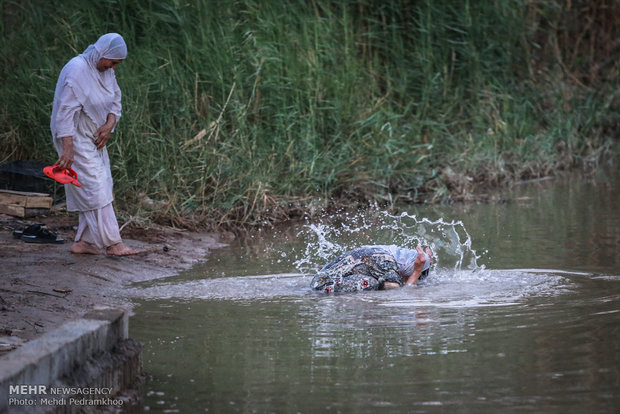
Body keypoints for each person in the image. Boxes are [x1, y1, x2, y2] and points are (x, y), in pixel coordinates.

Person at [50, 33, 138, 256]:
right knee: (96, 186)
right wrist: (67, 147)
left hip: (96, 135)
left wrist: (109, 125)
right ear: (102, 54)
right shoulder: (77, 70)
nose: (114, 68)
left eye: (117, 64)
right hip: (74, 134)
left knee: (102, 184)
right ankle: (113, 243)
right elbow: (65, 111)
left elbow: (115, 99)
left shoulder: (106, 72)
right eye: (113, 62)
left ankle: (85, 242)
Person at [310, 245, 433, 293]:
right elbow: (398, 292)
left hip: (322, 280)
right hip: (321, 286)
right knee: (373, 284)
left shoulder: (388, 252)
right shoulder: (386, 261)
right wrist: (416, 272)